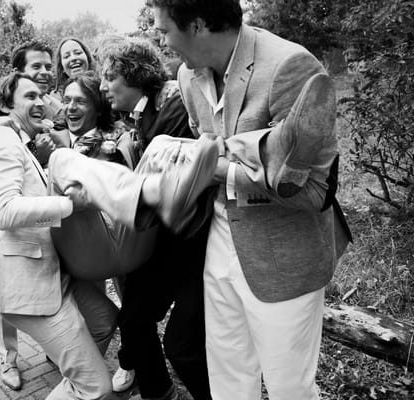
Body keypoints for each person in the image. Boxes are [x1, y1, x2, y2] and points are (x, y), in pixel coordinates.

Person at [145, 0, 351, 399]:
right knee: (227, 378)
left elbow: (313, 192)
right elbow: (203, 142)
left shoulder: (290, 66)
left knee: (288, 387)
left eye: (164, 31)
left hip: (283, 254)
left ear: (199, 24)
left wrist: (213, 167)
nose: (163, 42)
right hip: (220, 244)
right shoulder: (188, 76)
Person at [0, 72, 116, 399]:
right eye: (30, 97)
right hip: (24, 281)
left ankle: (74, 383)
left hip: (52, 272)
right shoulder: (1, 141)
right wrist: (69, 204)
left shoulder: (19, 140)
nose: (40, 103)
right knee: (99, 388)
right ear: (6, 105)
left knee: (104, 319)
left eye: (41, 96)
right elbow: (5, 211)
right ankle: (84, 385)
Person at [98, 38, 212, 400]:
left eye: (110, 76)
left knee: (183, 347)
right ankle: (160, 393)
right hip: (163, 245)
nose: (103, 87)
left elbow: (172, 190)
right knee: (132, 321)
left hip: (195, 248)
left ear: (134, 75)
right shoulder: (139, 115)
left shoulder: (176, 106)